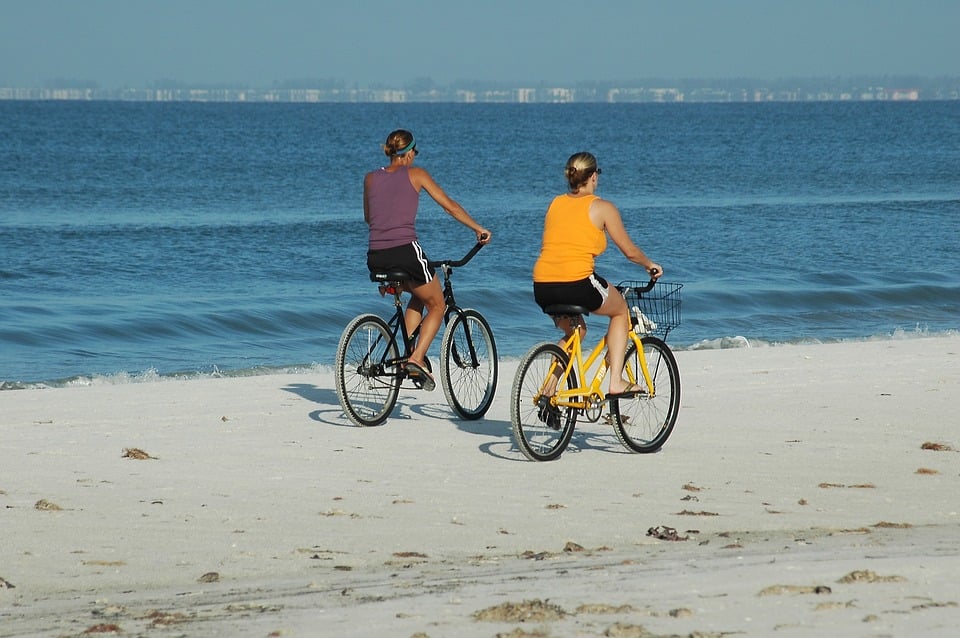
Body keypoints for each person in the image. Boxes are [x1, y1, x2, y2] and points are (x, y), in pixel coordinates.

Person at [364, 129, 491, 391]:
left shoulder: (370, 178)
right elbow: (450, 206)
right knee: (437, 305)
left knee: (419, 294)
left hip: (375, 255)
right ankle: (417, 358)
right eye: (415, 151)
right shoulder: (417, 174)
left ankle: (408, 354)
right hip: (405, 251)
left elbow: (369, 218)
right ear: (409, 152)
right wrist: (478, 228)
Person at [533, 151, 662, 399]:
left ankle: (549, 392)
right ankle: (616, 382)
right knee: (620, 310)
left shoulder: (555, 203)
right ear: (593, 176)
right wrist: (650, 265)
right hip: (576, 283)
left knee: (576, 333)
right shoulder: (602, 207)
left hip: (542, 285)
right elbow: (630, 251)